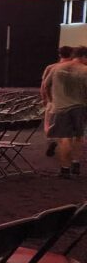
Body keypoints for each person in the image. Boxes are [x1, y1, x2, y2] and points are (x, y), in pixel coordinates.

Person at [41, 46, 87, 178]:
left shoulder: (56, 68)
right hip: (80, 107)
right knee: (79, 137)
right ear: (84, 56)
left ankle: (65, 169)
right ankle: (76, 164)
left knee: (64, 139)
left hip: (60, 107)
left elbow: (45, 86)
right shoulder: (85, 70)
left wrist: (51, 100)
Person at [42, 46, 75, 157]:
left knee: (49, 124)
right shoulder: (77, 69)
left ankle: (52, 141)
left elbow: (44, 86)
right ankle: (65, 146)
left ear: (60, 54)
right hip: (70, 101)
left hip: (53, 100)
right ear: (72, 55)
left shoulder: (51, 67)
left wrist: (46, 99)